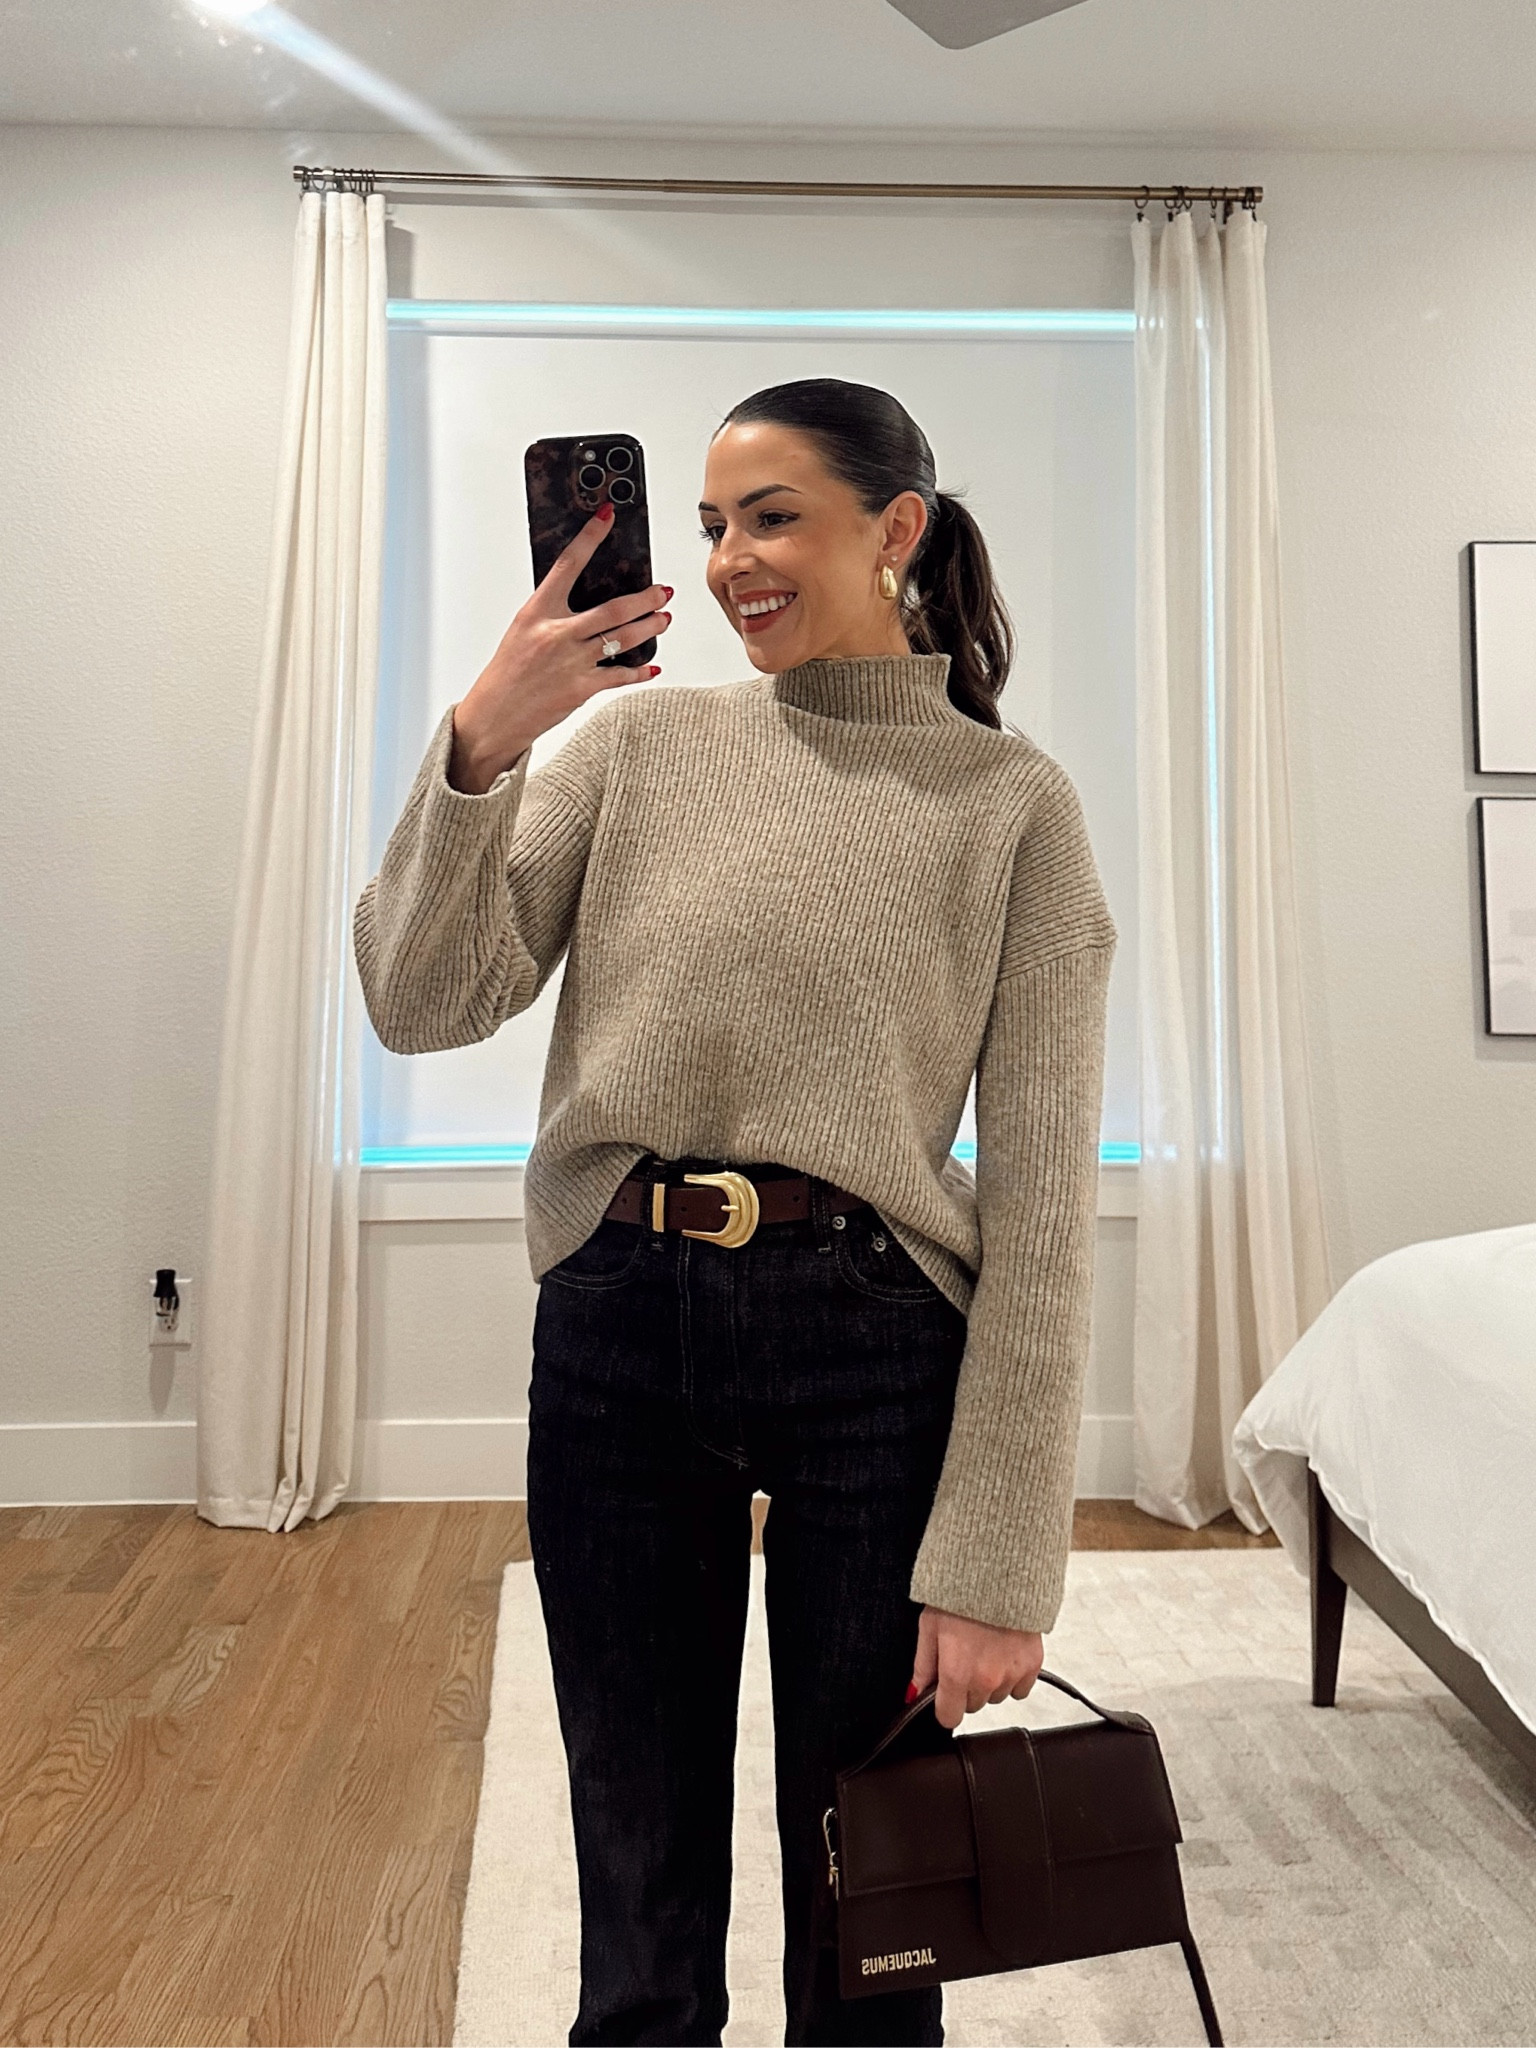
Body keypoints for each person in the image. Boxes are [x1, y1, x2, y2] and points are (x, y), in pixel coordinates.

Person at [353, 378, 1117, 2048]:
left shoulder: (1013, 808)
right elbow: (418, 1002)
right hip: (621, 1333)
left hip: (877, 1349)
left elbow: (1047, 1205)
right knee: (634, 1901)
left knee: (875, 1909)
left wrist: (1001, 1557)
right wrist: (487, 735)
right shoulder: (625, 748)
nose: (725, 562)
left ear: (894, 530)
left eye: (769, 515)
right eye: (707, 526)